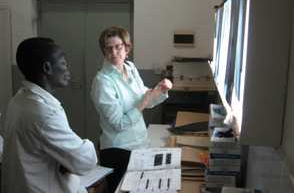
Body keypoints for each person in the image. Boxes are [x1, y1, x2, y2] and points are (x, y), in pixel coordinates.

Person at [1, 37, 98, 193]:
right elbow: (84, 161)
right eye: (63, 63)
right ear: (47, 68)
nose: (68, 69)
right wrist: (75, 156)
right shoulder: (43, 112)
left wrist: (64, 160)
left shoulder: (19, 99)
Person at [91, 26, 172, 192]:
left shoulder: (130, 68)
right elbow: (119, 124)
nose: (114, 53)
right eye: (109, 48)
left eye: (118, 47)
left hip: (140, 144)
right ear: (103, 51)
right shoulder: (102, 81)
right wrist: (146, 99)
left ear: (126, 48)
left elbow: (145, 99)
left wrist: (160, 89)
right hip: (118, 150)